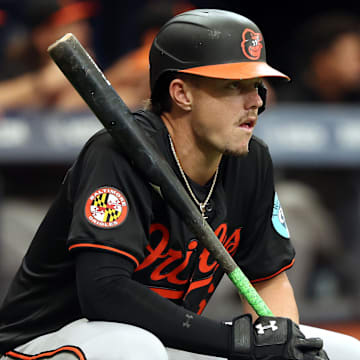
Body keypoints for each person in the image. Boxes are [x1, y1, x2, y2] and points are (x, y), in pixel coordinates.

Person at [0, 8, 358, 360]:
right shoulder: (119, 153)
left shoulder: (251, 160)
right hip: (44, 341)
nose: (257, 102)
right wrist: (234, 340)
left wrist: (279, 345)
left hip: (161, 338)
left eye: (257, 86)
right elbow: (104, 293)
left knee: (344, 352)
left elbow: (269, 280)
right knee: (133, 347)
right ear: (182, 93)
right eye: (235, 86)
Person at [275, 11, 360, 302]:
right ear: (323, 59)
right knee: (293, 201)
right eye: (352, 55)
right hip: (308, 220)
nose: (358, 64)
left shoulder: (354, 103)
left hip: (351, 222)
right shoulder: (283, 105)